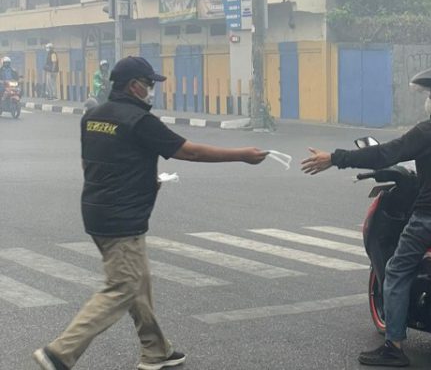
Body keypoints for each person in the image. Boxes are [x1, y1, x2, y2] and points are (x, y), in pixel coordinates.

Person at [33, 56, 269, 370]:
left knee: (137, 283)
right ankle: (59, 353)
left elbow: (93, 162)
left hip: (96, 211)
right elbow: (189, 151)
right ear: (134, 86)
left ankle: (156, 350)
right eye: (148, 84)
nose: (151, 90)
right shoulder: (139, 120)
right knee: (122, 287)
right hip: (121, 218)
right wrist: (242, 155)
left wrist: (142, 182)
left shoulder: (93, 115)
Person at [302, 63, 431, 367]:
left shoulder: (430, 130)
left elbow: (384, 154)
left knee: (397, 270)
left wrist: (335, 158)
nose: (427, 99)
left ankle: (393, 345)